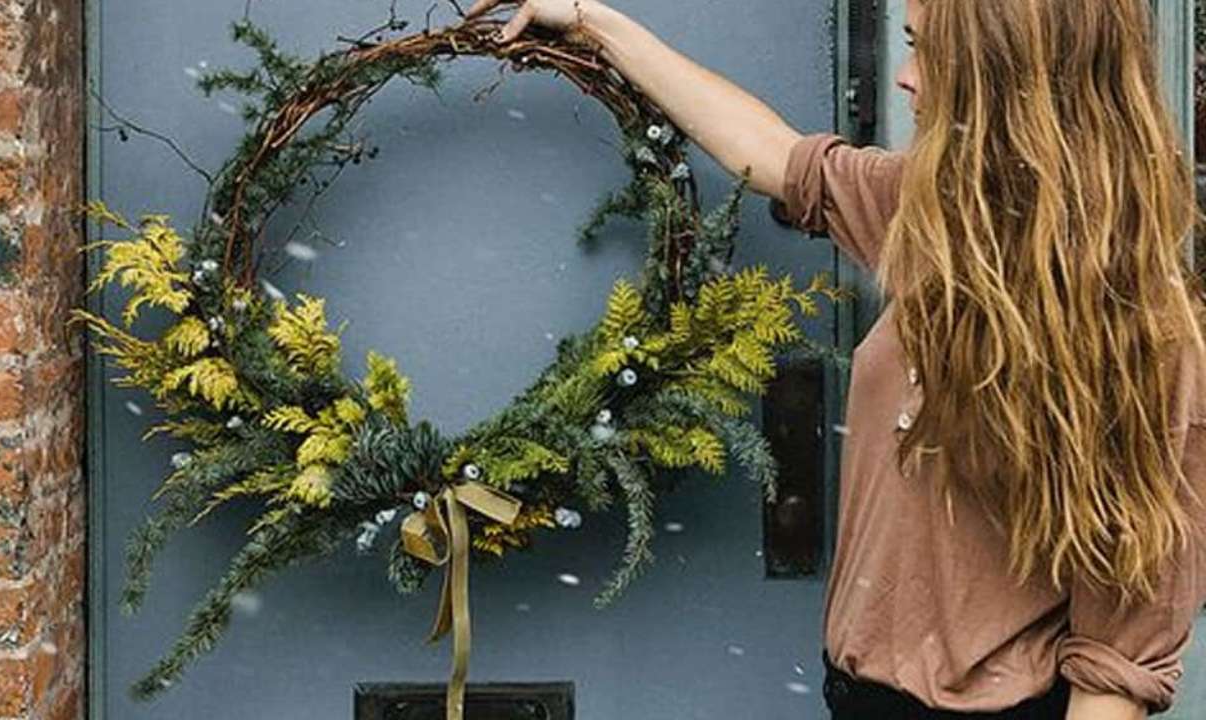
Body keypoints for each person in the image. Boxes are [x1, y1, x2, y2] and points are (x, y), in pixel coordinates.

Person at [463, 0, 1206, 718]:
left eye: (929, 50)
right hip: (857, 697)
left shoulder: (1146, 337)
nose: (906, 77)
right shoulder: (937, 219)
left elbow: (1118, 662)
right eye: (908, 44)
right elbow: (775, 156)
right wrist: (590, 20)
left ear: (1004, 75)